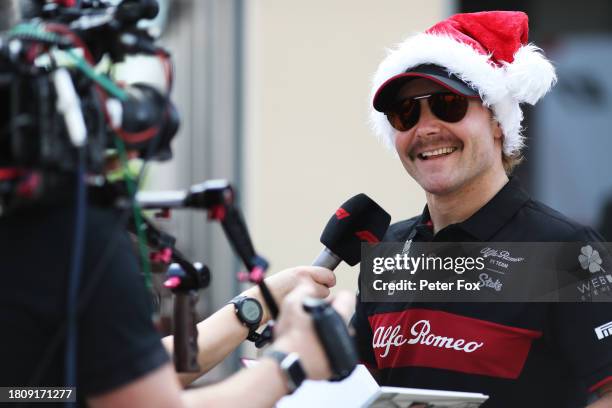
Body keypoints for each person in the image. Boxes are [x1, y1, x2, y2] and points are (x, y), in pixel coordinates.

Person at [353, 11, 612, 408]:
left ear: (497, 121)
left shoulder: (569, 250)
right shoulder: (386, 250)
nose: (425, 129)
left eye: (448, 104)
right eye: (406, 113)